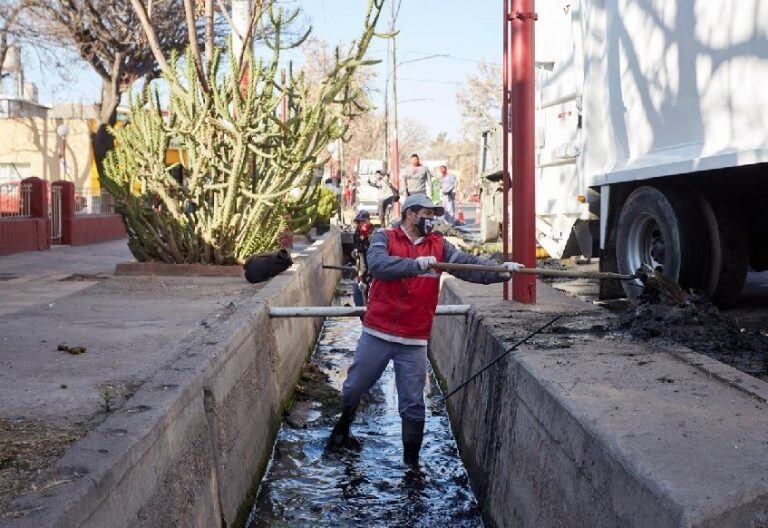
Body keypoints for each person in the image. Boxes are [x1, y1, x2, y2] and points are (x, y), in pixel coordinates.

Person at [327, 193, 523, 466]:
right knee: (354, 387)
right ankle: (342, 431)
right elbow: (378, 266)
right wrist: (413, 266)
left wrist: (500, 270)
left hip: (414, 338)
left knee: (413, 405)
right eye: (428, 214)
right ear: (411, 214)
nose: (432, 220)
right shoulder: (385, 237)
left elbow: (466, 265)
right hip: (378, 332)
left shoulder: (439, 245)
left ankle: (412, 463)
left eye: (434, 215)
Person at [351, 210, 374, 307]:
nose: (361, 224)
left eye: (363, 221)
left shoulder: (375, 234)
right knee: (359, 292)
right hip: (362, 268)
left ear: (368, 221)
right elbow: (358, 256)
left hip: (374, 268)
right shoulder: (357, 234)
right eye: (359, 222)